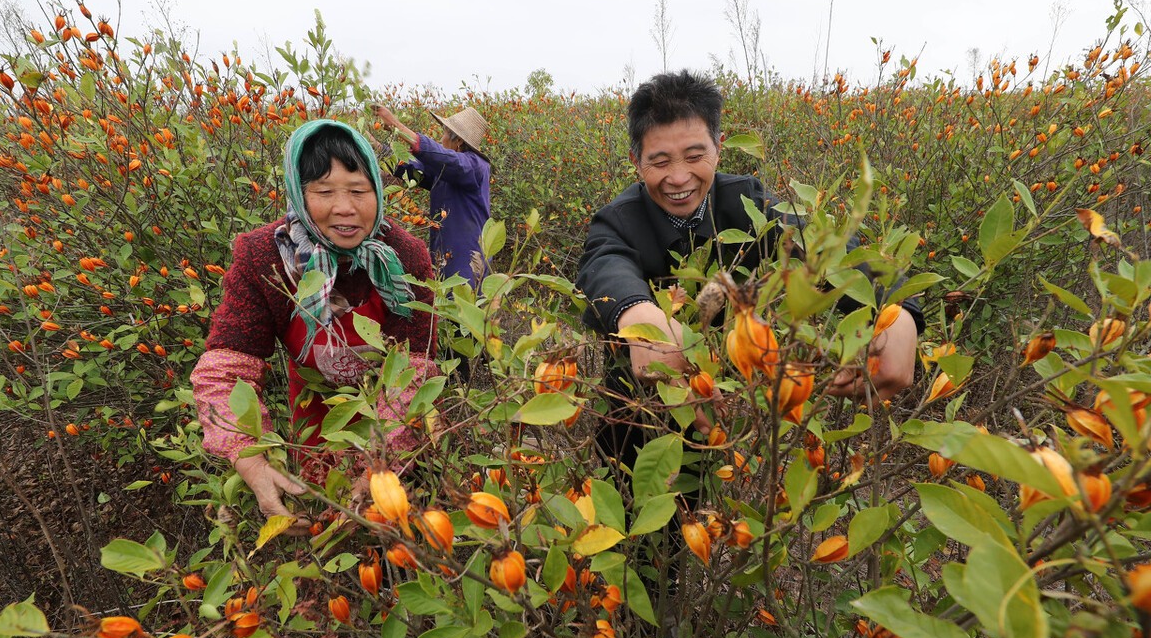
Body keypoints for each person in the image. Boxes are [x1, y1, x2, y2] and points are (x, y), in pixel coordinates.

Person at [575, 70, 923, 479]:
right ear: (636, 162)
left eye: (694, 155)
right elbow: (604, 264)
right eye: (659, 161)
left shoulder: (749, 203)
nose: (679, 177)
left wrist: (900, 311)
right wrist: (637, 313)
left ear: (719, 149)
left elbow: (825, 245)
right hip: (641, 425)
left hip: (740, 421)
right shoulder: (618, 220)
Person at [191, 119, 438, 531]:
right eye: (324, 192)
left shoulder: (405, 257)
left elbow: (413, 374)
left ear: (378, 190)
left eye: (360, 191)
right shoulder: (264, 257)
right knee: (325, 527)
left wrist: (378, 468)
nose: (345, 207)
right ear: (298, 194)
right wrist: (248, 456)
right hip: (316, 417)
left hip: (395, 420)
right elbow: (226, 369)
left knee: (396, 528)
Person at [372, 104, 492, 289]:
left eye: (444, 133)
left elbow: (444, 158)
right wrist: (376, 146)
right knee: (443, 305)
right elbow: (411, 169)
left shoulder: (475, 166)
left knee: (463, 308)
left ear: (458, 140)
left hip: (469, 260)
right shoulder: (445, 171)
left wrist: (397, 126)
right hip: (444, 255)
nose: (441, 139)